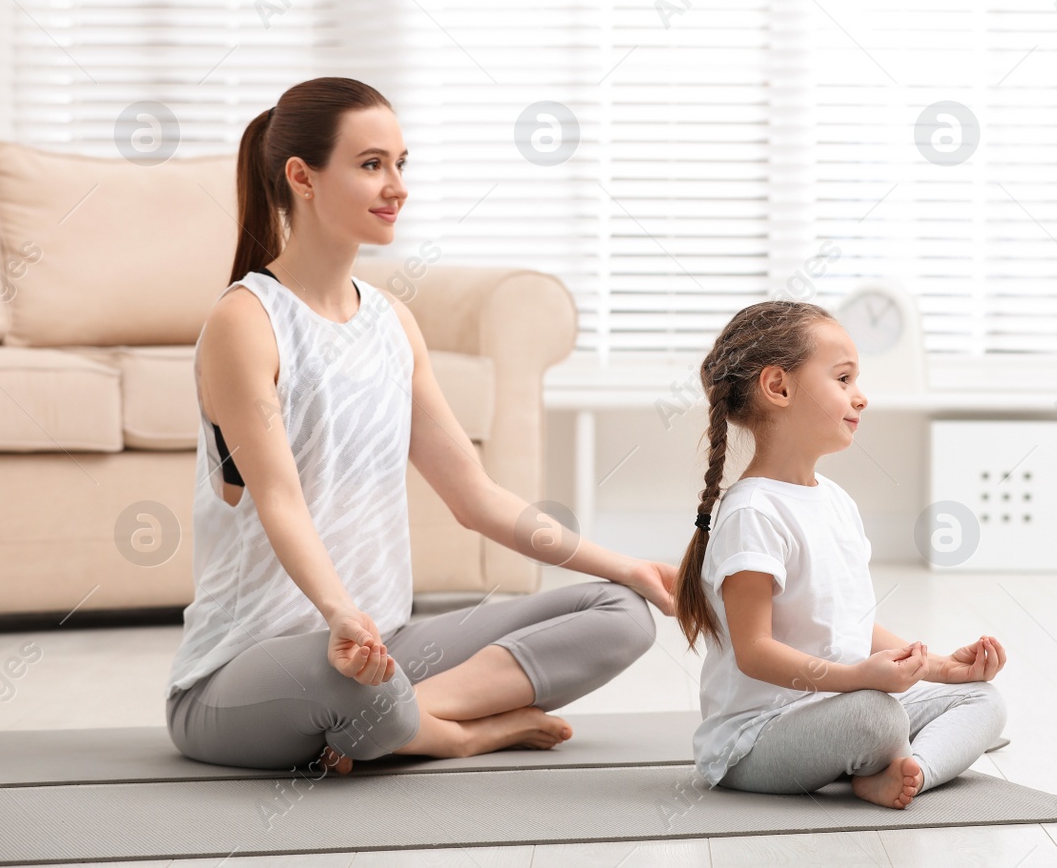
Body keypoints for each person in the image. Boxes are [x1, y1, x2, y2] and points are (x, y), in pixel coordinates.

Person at [165, 77, 675, 774]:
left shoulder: (392, 322)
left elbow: (474, 497)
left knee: (621, 612)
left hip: (383, 648)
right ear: (301, 177)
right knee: (340, 678)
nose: (397, 185)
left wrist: (628, 564)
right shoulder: (245, 321)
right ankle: (460, 732)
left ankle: (403, 716)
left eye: (402, 163)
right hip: (240, 675)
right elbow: (280, 499)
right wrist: (341, 615)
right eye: (372, 164)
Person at [675, 299, 1008, 809]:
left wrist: (941, 668)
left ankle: (911, 770)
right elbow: (754, 651)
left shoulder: (835, 500)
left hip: (837, 705)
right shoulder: (752, 513)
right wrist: (860, 679)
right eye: (844, 379)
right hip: (758, 739)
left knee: (982, 700)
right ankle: (887, 754)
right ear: (779, 387)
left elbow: (848, 623)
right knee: (876, 715)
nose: (861, 397)